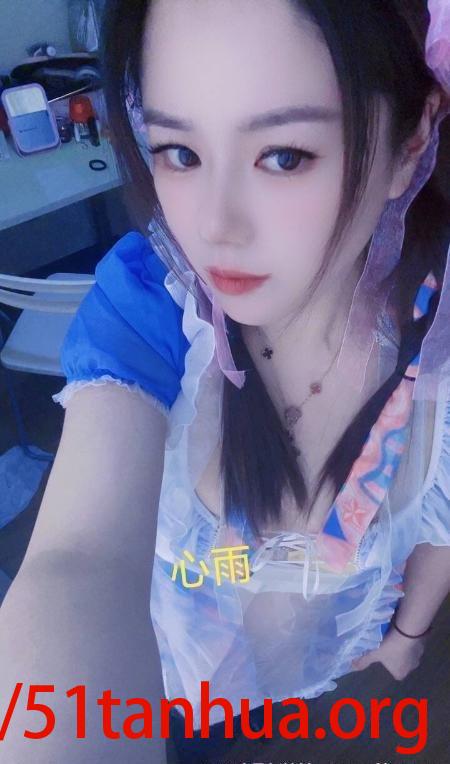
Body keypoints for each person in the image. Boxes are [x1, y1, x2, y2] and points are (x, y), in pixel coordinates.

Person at [1, 1, 449, 763]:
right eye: (179, 152)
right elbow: (79, 561)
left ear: (410, 142)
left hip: (311, 671)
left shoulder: (433, 320)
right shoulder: (157, 306)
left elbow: (442, 516)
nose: (213, 227)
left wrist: (409, 633)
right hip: (166, 683)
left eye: (284, 156)